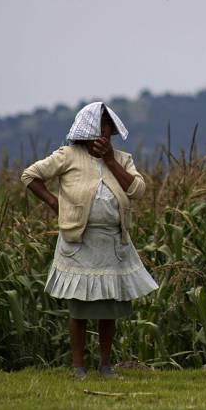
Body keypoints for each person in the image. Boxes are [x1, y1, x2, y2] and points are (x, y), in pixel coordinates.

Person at [20, 101, 159, 380]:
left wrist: (109, 160)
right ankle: (78, 367)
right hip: (78, 242)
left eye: (108, 126)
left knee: (108, 307)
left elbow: (138, 189)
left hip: (112, 243)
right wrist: (54, 203)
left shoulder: (122, 159)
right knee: (79, 308)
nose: (104, 131)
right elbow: (30, 175)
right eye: (100, 125)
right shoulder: (68, 156)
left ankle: (106, 366)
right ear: (87, 129)